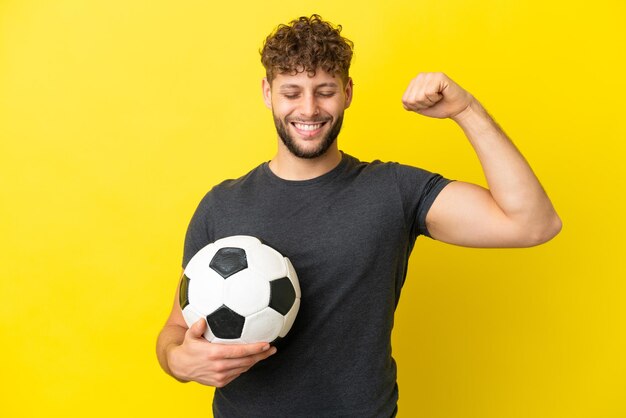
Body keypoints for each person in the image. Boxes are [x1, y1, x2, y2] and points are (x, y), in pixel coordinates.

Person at [156, 14, 561, 417]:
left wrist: (466, 110)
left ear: (348, 92)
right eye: (292, 92)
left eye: (325, 91)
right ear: (267, 93)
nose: (309, 109)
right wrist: (177, 360)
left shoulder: (393, 191)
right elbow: (175, 329)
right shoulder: (221, 205)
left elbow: (533, 223)